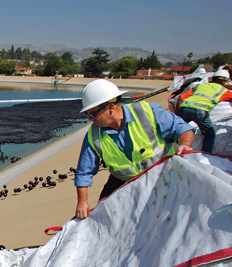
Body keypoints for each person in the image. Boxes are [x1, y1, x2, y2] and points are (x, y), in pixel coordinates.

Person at [75, 79, 195, 219]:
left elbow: (183, 129)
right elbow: (84, 172)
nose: (90, 119)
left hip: (163, 174)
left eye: (93, 114)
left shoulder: (148, 112)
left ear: (110, 108)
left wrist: (185, 144)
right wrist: (82, 203)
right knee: (105, 214)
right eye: (87, 114)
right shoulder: (94, 135)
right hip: (123, 181)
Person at [176, 68, 232, 152]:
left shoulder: (199, 85)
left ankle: (172, 148)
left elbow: (180, 97)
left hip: (184, 108)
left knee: (176, 129)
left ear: (212, 78)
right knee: (210, 135)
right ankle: (206, 153)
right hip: (200, 112)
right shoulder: (223, 91)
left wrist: (177, 115)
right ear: (225, 81)